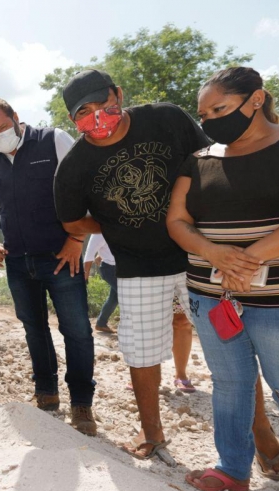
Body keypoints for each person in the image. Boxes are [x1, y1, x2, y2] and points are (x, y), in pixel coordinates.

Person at [54, 69, 209, 458]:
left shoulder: (166, 119)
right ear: (73, 120)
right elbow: (73, 222)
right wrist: (112, 223)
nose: (97, 117)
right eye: (84, 112)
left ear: (118, 93)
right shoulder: (74, 166)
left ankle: (261, 436)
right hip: (139, 266)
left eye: (103, 104)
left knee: (230, 346)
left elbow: (210, 165)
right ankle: (153, 435)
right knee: (141, 353)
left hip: (199, 252)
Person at [166, 67, 279, 491]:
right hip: (212, 297)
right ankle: (233, 469)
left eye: (219, 108)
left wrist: (248, 257)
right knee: (231, 384)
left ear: (256, 99)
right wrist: (215, 254)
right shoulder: (201, 158)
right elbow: (177, 219)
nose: (211, 120)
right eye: (204, 113)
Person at [0, 98, 97, 436]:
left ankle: (82, 402)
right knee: (34, 329)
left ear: (16, 118)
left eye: (1, 127)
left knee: (77, 331)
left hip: (61, 256)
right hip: (17, 261)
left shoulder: (52, 140)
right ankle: (47, 391)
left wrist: (76, 241)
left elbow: (87, 186)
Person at [85, 233, 196, 392]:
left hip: (180, 262)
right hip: (144, 266)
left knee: (181, 321)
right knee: (146, 322)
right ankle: (147, 375)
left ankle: (181, 375)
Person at [83, 233, 117, 334]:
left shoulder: (113, 225)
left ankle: (101, 323)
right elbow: (89, 254)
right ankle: (129, 325)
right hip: (109, 270)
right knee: (126, 295)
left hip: (119, 268)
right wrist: (85, 277)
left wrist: (100, 255)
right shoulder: (98, 233)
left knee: (115, 297)